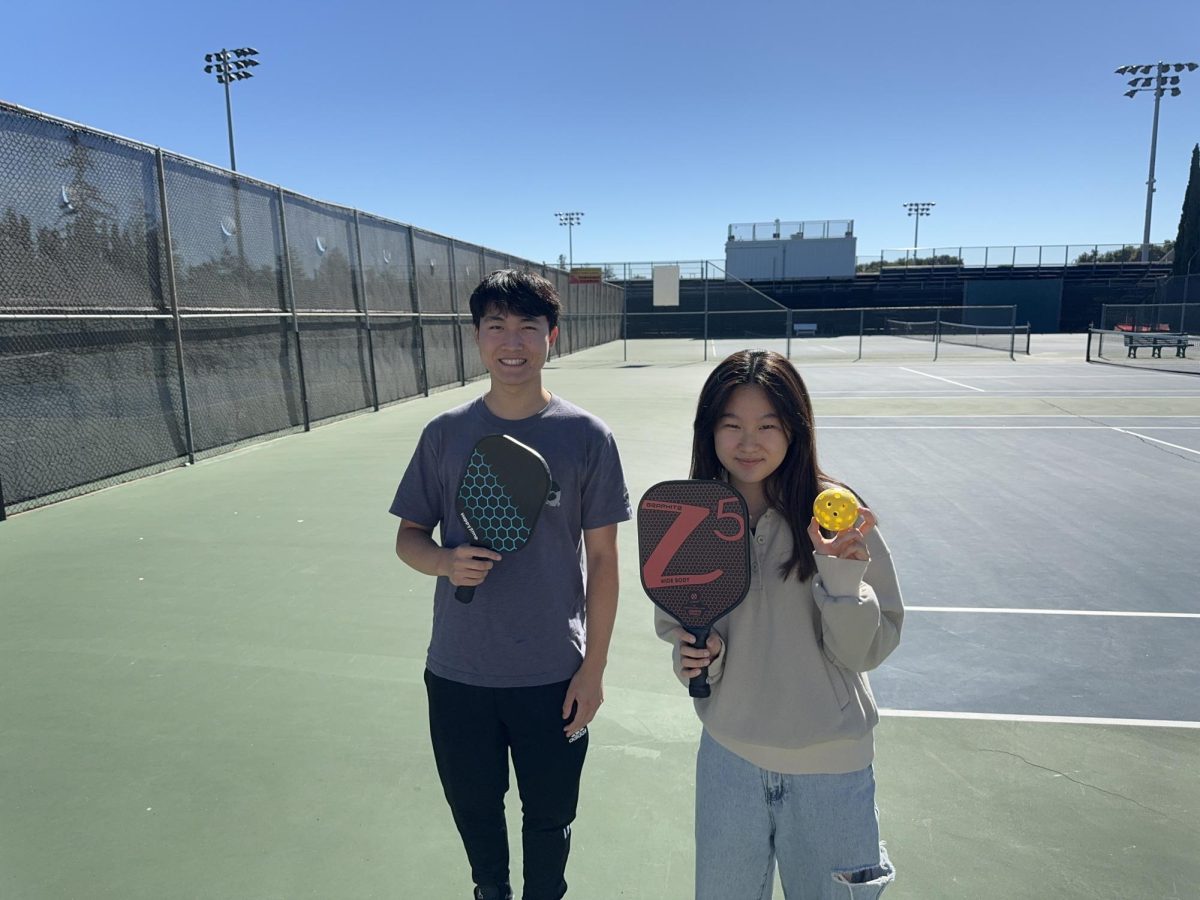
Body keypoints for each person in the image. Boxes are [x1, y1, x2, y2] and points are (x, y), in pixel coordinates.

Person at [391, 269, 630, 900]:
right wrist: (444, 563)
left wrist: (594, 670)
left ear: (552, 336)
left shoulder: (588, 437)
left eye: (528, 326)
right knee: (476, 812)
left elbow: (604, 562)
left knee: (550, 819)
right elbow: (408, 536)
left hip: (554, 675)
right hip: (458, 673)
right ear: (477, 338)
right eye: (496, 326)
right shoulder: (444, 433)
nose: (512, 341)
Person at [655, 349, 902, 899]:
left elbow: (869, 649)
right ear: (709, 431)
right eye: (732, 425)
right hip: (729, 761)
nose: (749, 443)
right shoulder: (688, 522)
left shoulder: (837, 518)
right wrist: (695, 659)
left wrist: (841, 575)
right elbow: (681, 632)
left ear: (795, 429)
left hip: (831, 770)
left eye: (768, 425)